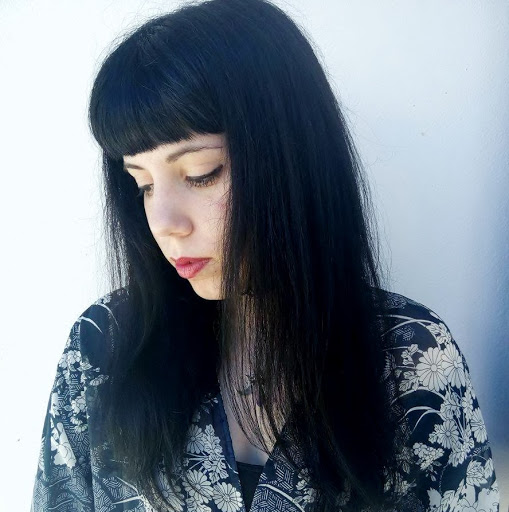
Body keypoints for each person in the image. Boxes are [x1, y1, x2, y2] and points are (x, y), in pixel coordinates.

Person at [30, 0, 500, 511]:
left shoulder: (412, 359)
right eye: (142, 184)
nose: (163, 223)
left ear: (291, 158)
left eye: (201, 173)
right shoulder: (102, 349)